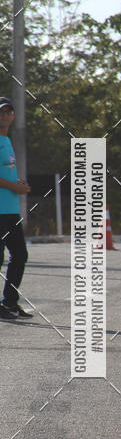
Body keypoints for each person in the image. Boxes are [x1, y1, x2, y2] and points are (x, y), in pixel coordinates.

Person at [0, 97, 33, 319]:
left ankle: (10, 303)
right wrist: (14, 186)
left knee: (20, 255)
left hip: (11, 210)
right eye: (1, 112)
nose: (4, 115)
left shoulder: (7, 140)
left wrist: (19, 184)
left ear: (13, 116)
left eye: (8, 112)